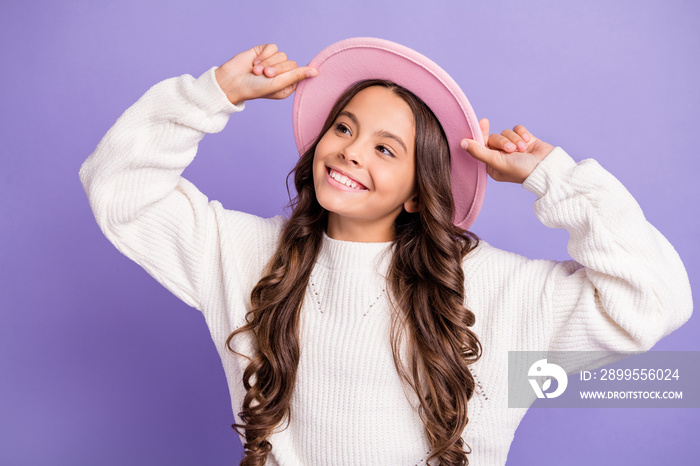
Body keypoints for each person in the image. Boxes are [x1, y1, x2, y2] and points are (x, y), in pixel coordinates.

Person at [79, 38, 693, 466]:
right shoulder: (242, 254)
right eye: (344, 128)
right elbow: (120, 187)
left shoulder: (495, 290)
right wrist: (210, 93)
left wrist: (556, 178)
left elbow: (653, 300)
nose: (349, 151)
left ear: (417, 194)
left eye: (385, 149)